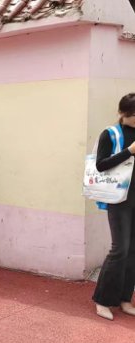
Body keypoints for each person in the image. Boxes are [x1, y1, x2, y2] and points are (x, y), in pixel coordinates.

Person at [92, 93, 135, 321]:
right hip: (119, 199)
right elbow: (100, 165)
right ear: (123, 113)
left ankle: (125, 299)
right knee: (119, 250)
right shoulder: (110, 134)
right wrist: (128, 151)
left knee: (133, 252)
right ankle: (103, 300)